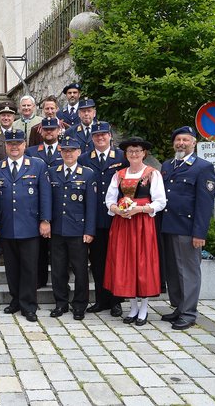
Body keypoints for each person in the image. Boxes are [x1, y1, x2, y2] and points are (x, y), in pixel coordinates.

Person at [105, 136, 167, 326]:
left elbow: (160, 201)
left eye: (137, 151)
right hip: (123, 224)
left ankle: (144, 308)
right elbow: (109, 200)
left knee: (143, 262)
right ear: (126, 154)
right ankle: (132, 307)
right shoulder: (119, 174)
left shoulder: (152, 174)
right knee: (126, 262)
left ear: (144, 153)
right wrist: (118, 210)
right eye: (130, 151)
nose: (134, 154)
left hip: (143, 225)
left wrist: (139, 209)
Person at [161, 126, 215, 330]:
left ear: (194, 143)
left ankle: (189, 313)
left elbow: (205, 204)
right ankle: (178, 307)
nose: (181, 143)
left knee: (189, 272)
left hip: (187, 229)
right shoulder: (167, 165)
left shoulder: (203, 167)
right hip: (168, 226)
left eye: (185, 140)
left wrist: (199, 233)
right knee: (173, 271)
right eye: (178, 140)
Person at [0, 130, 51, 322]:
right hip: (7, 226)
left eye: (18, 143)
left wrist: (45, 220)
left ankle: (29, 305)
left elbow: (45, 195)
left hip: (30, 226)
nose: (14, 147)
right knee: (12, 267)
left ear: (24, 145)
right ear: (6, 146)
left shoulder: (37, 165)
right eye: (10, 143)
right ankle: (15, 300)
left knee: (29, 268)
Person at [78, 122, 128, 317]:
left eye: (103, 135)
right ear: (92, 138)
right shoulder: (84, 158)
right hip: (94, 220)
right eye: (96, 135)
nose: (100, 138)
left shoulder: (122, 158)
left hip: (117, 219)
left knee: (116, 261)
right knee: (97, 263)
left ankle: (116, 301)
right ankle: (101, 300)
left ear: (110, 136)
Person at [47, 135, 96, 320]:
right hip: (58, 229)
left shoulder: (88, 174)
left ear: (79, 152)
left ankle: (79, 305)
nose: (68, 153)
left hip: (78, 230)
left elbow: (91, 206)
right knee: (58, 270)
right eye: (65, 150)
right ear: (60, 152)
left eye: (72, 150)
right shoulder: (52, 172)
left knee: (80, 269)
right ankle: (61, 303)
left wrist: (89, 231)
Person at [25, 117, 64, 288]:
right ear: (40, 131)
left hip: (61, 205)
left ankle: (59, 282)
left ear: (58, 131)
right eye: (46, 129)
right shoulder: (31, 152)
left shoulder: (66, 150)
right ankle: (39, 280)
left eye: (52, 129)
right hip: (37, 204)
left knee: (58, 249)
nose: (49, 132)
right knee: (39, 248)